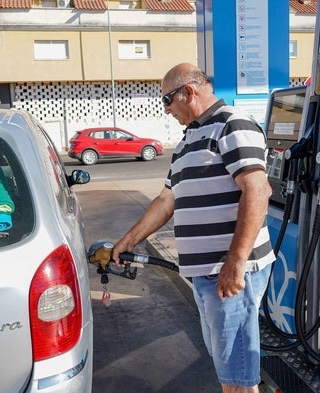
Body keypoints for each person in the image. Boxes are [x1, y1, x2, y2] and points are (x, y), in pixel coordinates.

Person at [112, 63, 275, 393]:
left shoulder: (232, 124)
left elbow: (257, 190)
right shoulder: (188, 140)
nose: (167, 109)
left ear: (189, 92)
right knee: (227, 366)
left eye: (167, 101)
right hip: (207, 275)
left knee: (237, 377)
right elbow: (165, 200)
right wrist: (128, 240)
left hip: (228, 273)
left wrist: (236, 262)